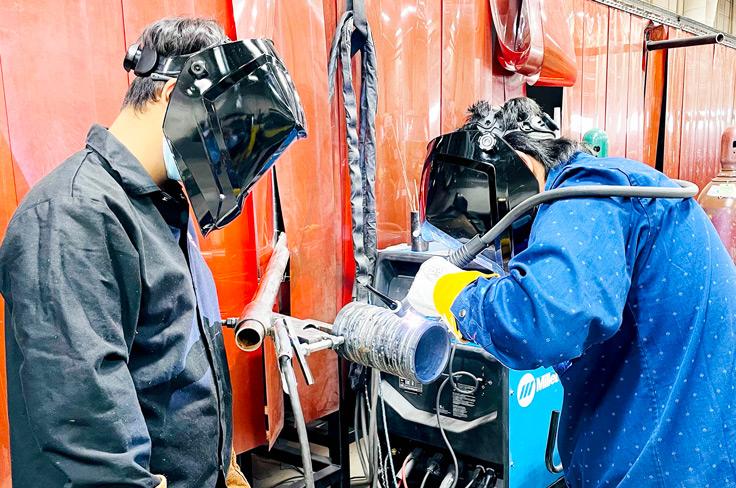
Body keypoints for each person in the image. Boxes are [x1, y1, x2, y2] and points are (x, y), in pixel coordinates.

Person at [0, 17, 305, 488]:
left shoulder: (161, 210)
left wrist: (220, 463)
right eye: (226, 128)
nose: (226, 153)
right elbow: (88, 436)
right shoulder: (74, 216)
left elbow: (170, 368)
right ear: (172, 94)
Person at [409, 97, 736, 487]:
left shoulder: (585, 191)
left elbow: (539, 320)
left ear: (518, 165)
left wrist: (449, 291)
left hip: (664, 467)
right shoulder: (615, 190)